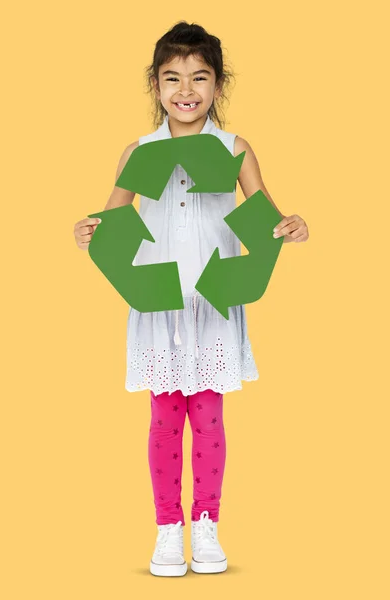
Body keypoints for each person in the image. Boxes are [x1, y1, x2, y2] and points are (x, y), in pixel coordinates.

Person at [73, 21, 309, 578]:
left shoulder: (234, 147)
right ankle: (167, 528)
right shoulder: (140, 150)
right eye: (172, 77)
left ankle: (206, 524)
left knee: (208, 418)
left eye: (200, 77)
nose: (186, 89)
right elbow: (110, 220)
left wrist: (292, 226)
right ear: (155, 85)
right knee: (162, 419)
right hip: (159, 305)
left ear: (218, 86)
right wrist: (86, 233)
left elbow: (265, 217)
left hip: (214, 303)